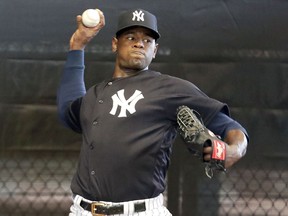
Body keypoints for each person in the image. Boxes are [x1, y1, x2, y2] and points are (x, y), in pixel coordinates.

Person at [57, 8, 248, 216]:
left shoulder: (170, 88)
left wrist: (234, 150)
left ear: (154, 51)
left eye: (147, 40)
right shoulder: (95, 95)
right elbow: (67, 111)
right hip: (83, 210)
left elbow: (230, 126)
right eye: (131, 37)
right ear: (115, 44)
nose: (139, 43)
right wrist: (77, 46)